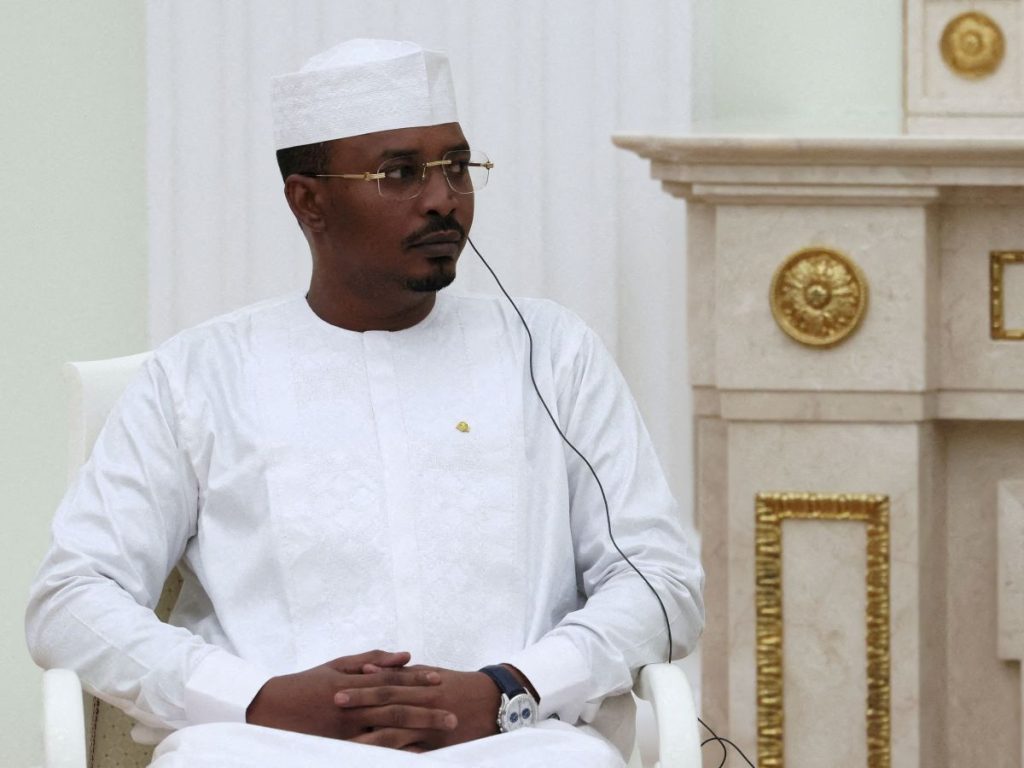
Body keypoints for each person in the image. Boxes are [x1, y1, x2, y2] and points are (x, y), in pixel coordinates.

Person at [26, 39, 704, 767]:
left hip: (516, 741)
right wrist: (258, 698)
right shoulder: (198, 375)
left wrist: (513, 687)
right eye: (400, 174)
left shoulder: (552, 352)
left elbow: (660, 581)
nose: (443, 198)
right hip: (264, 746)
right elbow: (71, 599)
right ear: (308, 201)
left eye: (456, 166)